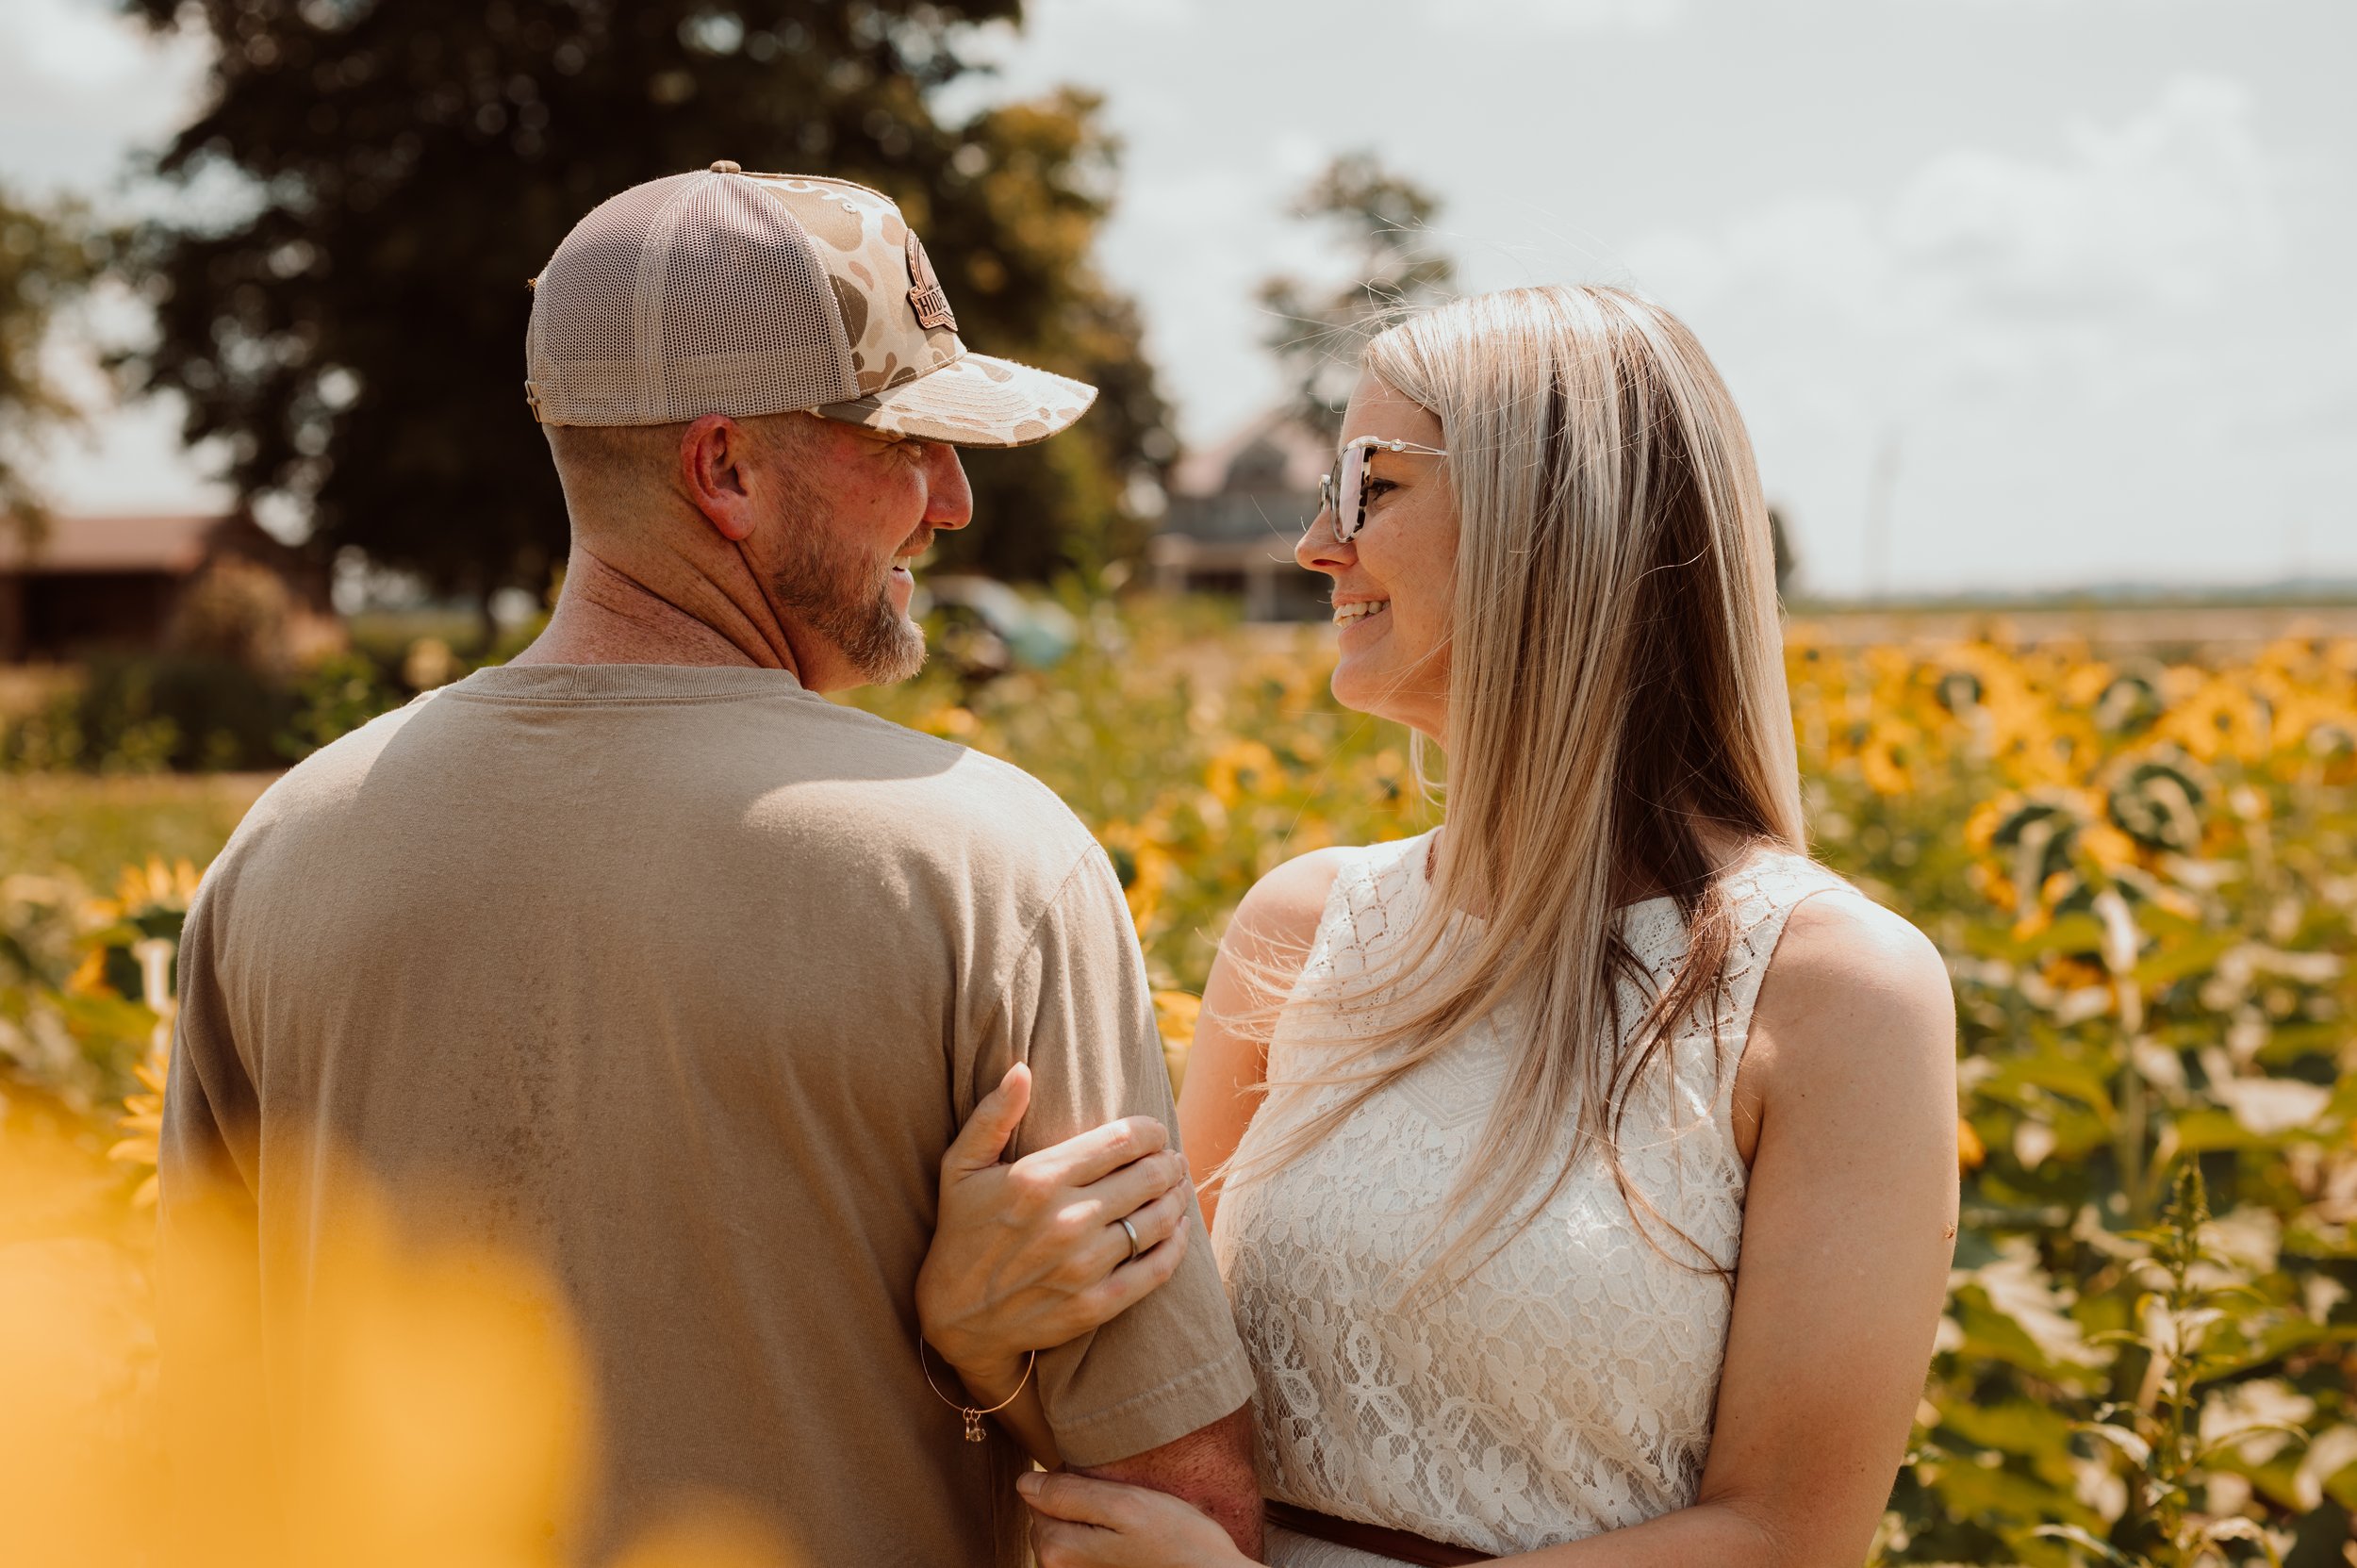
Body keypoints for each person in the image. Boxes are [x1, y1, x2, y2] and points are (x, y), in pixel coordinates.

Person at [156, 163, 1259, 1568]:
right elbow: (1175, 1512)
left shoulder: (279, 850)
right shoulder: (989, 860)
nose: (956, 503)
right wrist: (970, 1365)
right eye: (907, 441)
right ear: (726, 468)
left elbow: (211, 1440)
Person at [915, 285, 1961, 1567]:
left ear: (1552, 525)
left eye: (1369, 486)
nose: (1315, 543)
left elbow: (1786, 1540)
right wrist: (982, 1336)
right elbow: (1160, 1412)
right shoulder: (1297, 927)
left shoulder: (1832, 989)